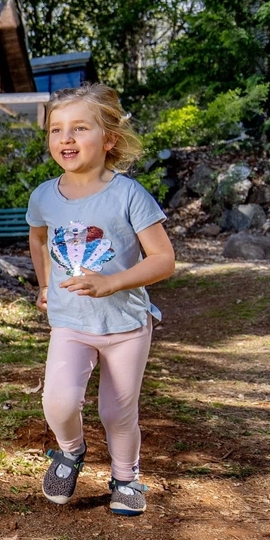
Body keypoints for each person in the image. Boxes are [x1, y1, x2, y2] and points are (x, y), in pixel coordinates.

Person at [26, 84, 175, 517]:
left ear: (108, 139)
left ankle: (126, 477)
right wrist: (43, 284)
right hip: (70, 321)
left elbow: (164, 259)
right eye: (56, 130)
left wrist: (112, 283)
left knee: (117, 410)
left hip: (126, 325)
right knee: (57, 400)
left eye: (79, 128)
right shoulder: (43, 196)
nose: (65, 139)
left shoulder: (129, 194)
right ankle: (70, 451)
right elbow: (39, 239)